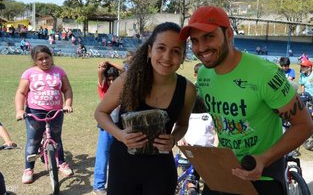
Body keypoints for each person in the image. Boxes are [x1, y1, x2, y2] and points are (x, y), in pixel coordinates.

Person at [179, 6, 313, 195]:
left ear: (229, 34)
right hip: (224, 171)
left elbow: (304, 126)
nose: (201, 48)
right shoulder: (203, 74)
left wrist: (263, 158)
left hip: (263, 174)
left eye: (209, 37)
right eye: (195, 41)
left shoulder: (265, 74)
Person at [94, 22, 196, 195]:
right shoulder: (129, 80)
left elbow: (183, 124)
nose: (167, 57)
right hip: (123, 166)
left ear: (182, 56)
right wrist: (120, 135)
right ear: (150, 51)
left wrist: (173, 139)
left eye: (176, 51)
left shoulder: (187, 89)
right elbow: (100, 113)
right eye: (161, 48)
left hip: (160, 170)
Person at [15, 45, 74, 184]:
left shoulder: (59, 71)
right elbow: (21, 93)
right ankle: (29, 168)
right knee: (33, 141)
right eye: (40, 59)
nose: (44, 61)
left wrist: (68, 104)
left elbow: (67, 89)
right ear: (35, 60)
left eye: (46, 57)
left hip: (56, 111)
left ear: (51, 56)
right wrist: (19, 110)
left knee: (56, 138)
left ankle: (61, 163)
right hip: (35, 111)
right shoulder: (29, 73)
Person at [93, 63, 121, 195]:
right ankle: (98, 186)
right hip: (106, 128)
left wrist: (110, 61)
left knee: (118, 156)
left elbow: (125, 70)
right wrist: (103, 68)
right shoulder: (104, 89)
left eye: (114, 78)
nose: (111, 81)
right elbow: (100, 73)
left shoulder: (123, 88)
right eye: (109, 79)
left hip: (120, 128)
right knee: (102, 156)